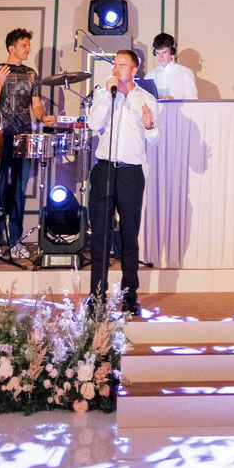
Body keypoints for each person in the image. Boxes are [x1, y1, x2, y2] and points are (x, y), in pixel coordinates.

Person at [87, 48, 160, 315]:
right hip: (104, 169)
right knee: (101, 237)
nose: (116, 69)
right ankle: (97, 296)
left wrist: (149, 125)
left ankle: (130, 294)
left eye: (122, 65)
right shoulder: (104, 93)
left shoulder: (146, 98)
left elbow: (154, 139)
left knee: (129, 236)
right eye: (114, 64)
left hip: (131, 173)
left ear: (134, 70)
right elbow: (94, 124)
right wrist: (107, 94)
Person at [0, 28, 53, 260]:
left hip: (24, 137)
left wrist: (43, 117)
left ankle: (15, 240)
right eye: (24, 45)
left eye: (28, 45)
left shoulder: (31, 74)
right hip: (1, 136)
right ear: (11, 48)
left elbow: (36, 104)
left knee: (19, 190)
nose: (28, 49)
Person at [147, 32, 198, 100]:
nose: (160, 57)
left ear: (172, 51)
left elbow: (193, 100)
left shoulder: (185, 73)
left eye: (164, 52)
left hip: (178, 110)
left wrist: (174, 100)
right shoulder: (150, 75)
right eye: (157, 53)